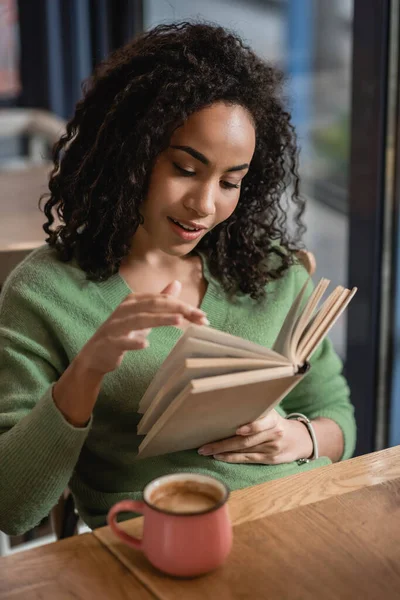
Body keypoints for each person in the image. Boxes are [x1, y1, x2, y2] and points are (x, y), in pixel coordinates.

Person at [0, 22, 356, 536]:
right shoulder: (45, 294)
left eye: (231, 181)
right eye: (186, 169)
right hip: (163, 540)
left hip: (302, 514)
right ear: (131, 154)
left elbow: (336, 415)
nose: (205, 205)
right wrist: (88, 369)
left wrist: (297, 438)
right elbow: (13, 506)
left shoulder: (266, 269)